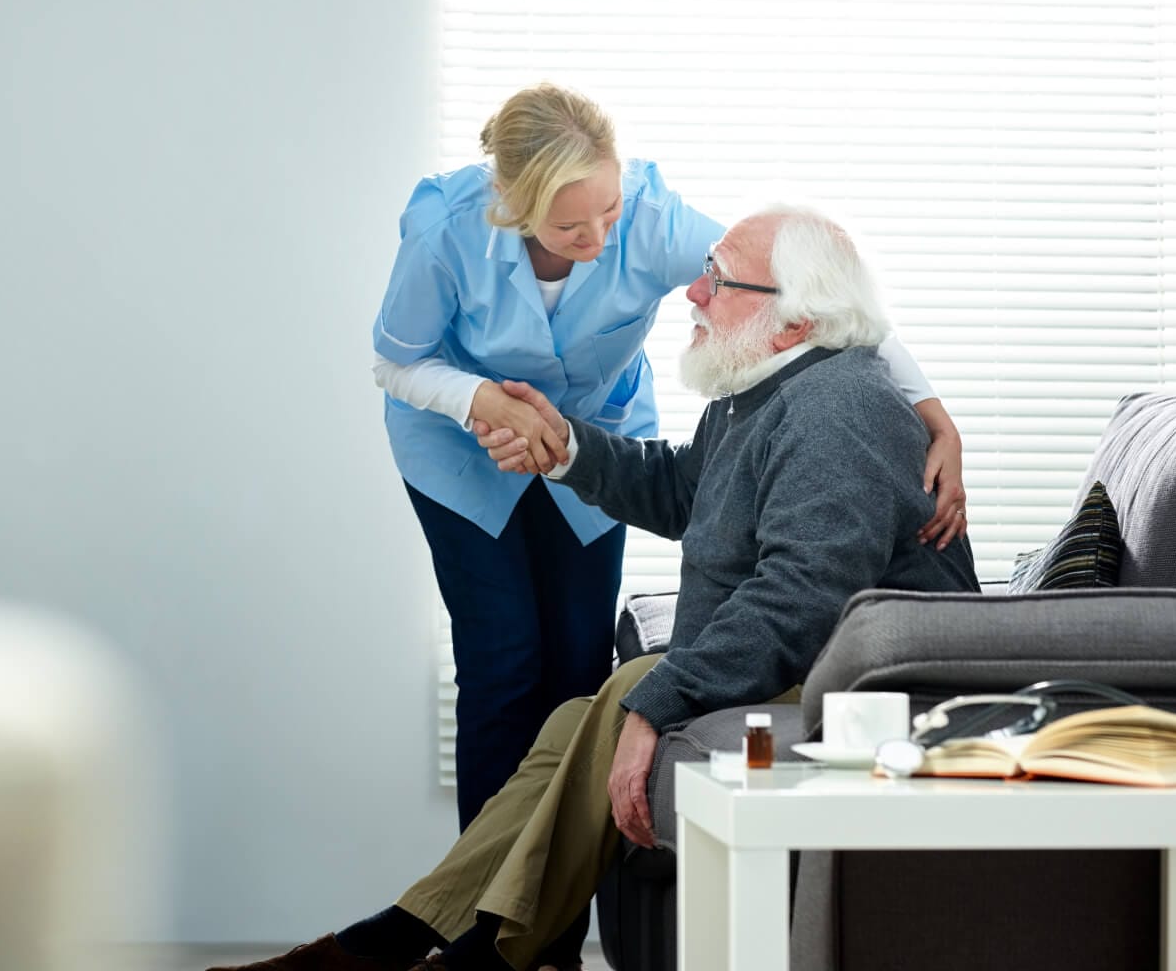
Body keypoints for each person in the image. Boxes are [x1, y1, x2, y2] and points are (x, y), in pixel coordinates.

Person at [226, 207, 980, 971]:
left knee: (629, 689)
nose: (693, 294)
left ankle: (434, 953)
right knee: (573, 721)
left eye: (719, 281)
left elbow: (800, 597)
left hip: (859, 689)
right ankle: (417, 941)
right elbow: (680, 492)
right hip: (810, 665)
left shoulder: (836, 408)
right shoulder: (763, 392)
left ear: (794, 322)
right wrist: (563, 445)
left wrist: (659, 703)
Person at [371, 85, 967, 841]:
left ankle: (523, 917)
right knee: (502, 661)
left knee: (577, 669)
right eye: (570, 226)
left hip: (589, 433)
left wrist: (933, 412)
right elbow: (397, 361)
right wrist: (481, 400)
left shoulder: (664, 235)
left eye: (608, 212)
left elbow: (815, 295)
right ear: (515, 209)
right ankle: (475, 907)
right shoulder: (444, 231)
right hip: (459, 448)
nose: (598, 237)